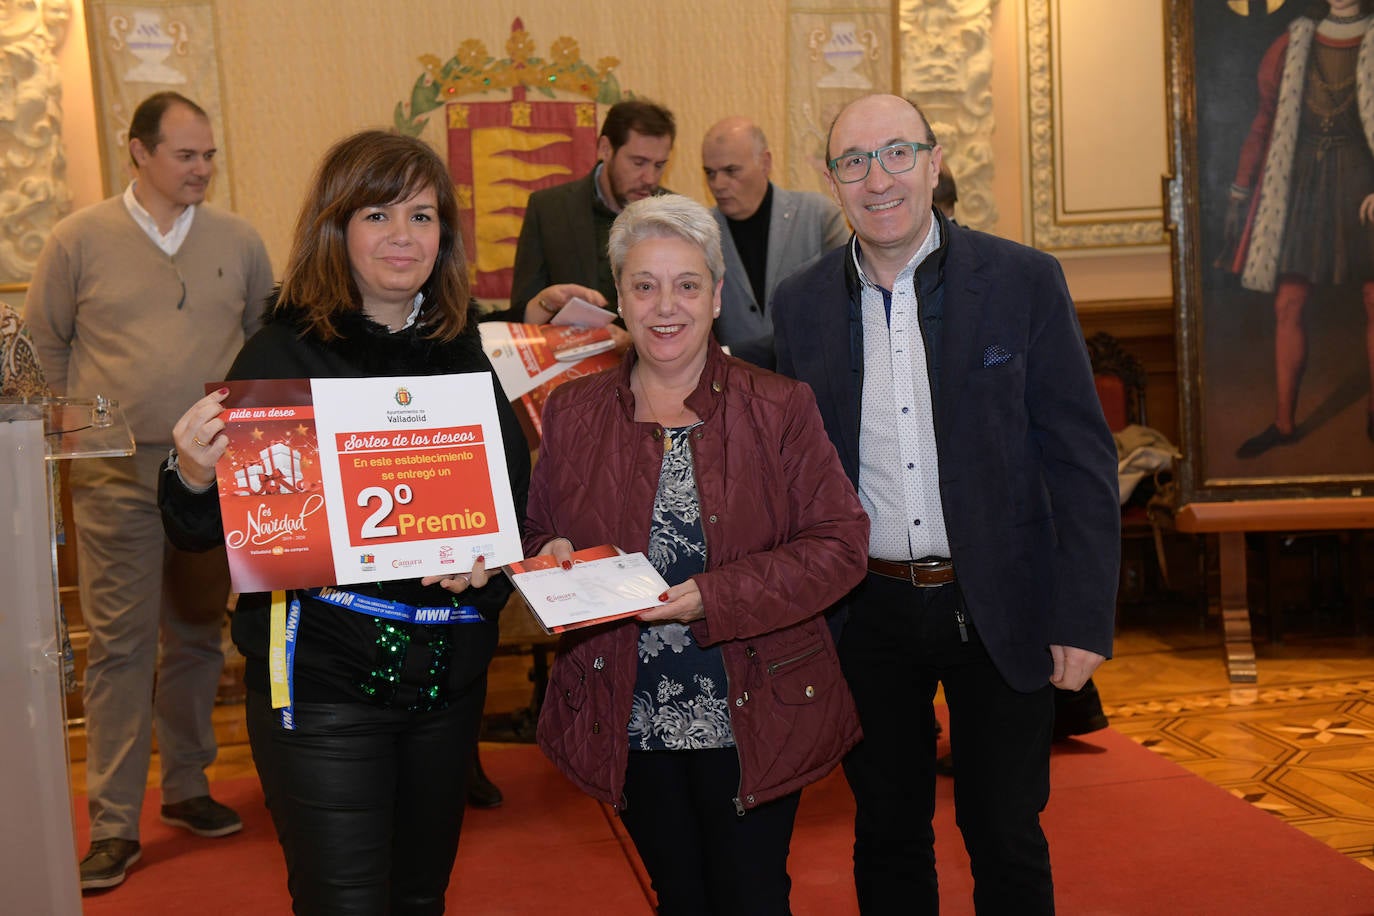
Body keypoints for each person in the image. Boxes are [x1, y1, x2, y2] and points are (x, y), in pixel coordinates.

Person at [159, 129, 530, 913]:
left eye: (422, 217)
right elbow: (198, 531)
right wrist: (190, 472)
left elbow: (509, 513)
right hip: (321, 684)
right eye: (377, 215)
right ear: (336, 226)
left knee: (420, 900)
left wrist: (489, 566)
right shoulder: (281, 355)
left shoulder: (463, 353)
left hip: (448, 684)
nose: (403, 237)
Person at [772, 94, 1119, 914]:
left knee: (1005, 832)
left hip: (1000, 602)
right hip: (866, 612)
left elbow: (1080, 459)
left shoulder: (1023, 281)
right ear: (830, 179)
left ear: (934, 162)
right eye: (854, 162)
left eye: (897, 153)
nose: (878, 179)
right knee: (887, 834)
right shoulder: (800, 303)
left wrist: (1083, 616)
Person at [527, 194, 869, 915]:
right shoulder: (573, 412)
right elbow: (537, 536)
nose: (665, 307)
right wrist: (550, 554)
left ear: (716, 296)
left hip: (756, 705)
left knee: (751, 896)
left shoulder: (779, 406)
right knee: (679, 896)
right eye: (644, 285)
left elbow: (840, 545)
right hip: (624, 707)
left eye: (686, 285)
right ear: (619, 297)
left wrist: (717, 595)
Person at [25, 90, 274, 892]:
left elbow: (267, 344)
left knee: (199, 634)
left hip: (212, 474)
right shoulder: (77, 240)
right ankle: (112, 825)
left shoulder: (239, 240)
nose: (202, 169)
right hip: (113, 474)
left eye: (209, 155)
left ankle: (189, 785)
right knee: (122, 646)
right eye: (185, 155)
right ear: (139, 151)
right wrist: (70, 437)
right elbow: (42, 347)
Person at [1226, 0, 1374, 458]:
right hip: (1303, 182)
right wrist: (1241, 185)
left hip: (1362, 180)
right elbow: (1265, 119)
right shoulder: (1292, 42)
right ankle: (1284, 422)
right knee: (1288, 302)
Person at [507, 98, 676, 328]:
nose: (650, 178)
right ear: (605, 149)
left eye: (659, 165)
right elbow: (523, 313)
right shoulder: (549, 210)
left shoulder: (676, 216)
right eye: (638, 163)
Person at [701, 116, 849, 368]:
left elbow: (844, 306)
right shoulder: (700, 234)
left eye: (731, 171)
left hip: (811, 375)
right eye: (710, 173)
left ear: (765, 162)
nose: (718, 184)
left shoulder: (819, 216)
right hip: (732, 383)